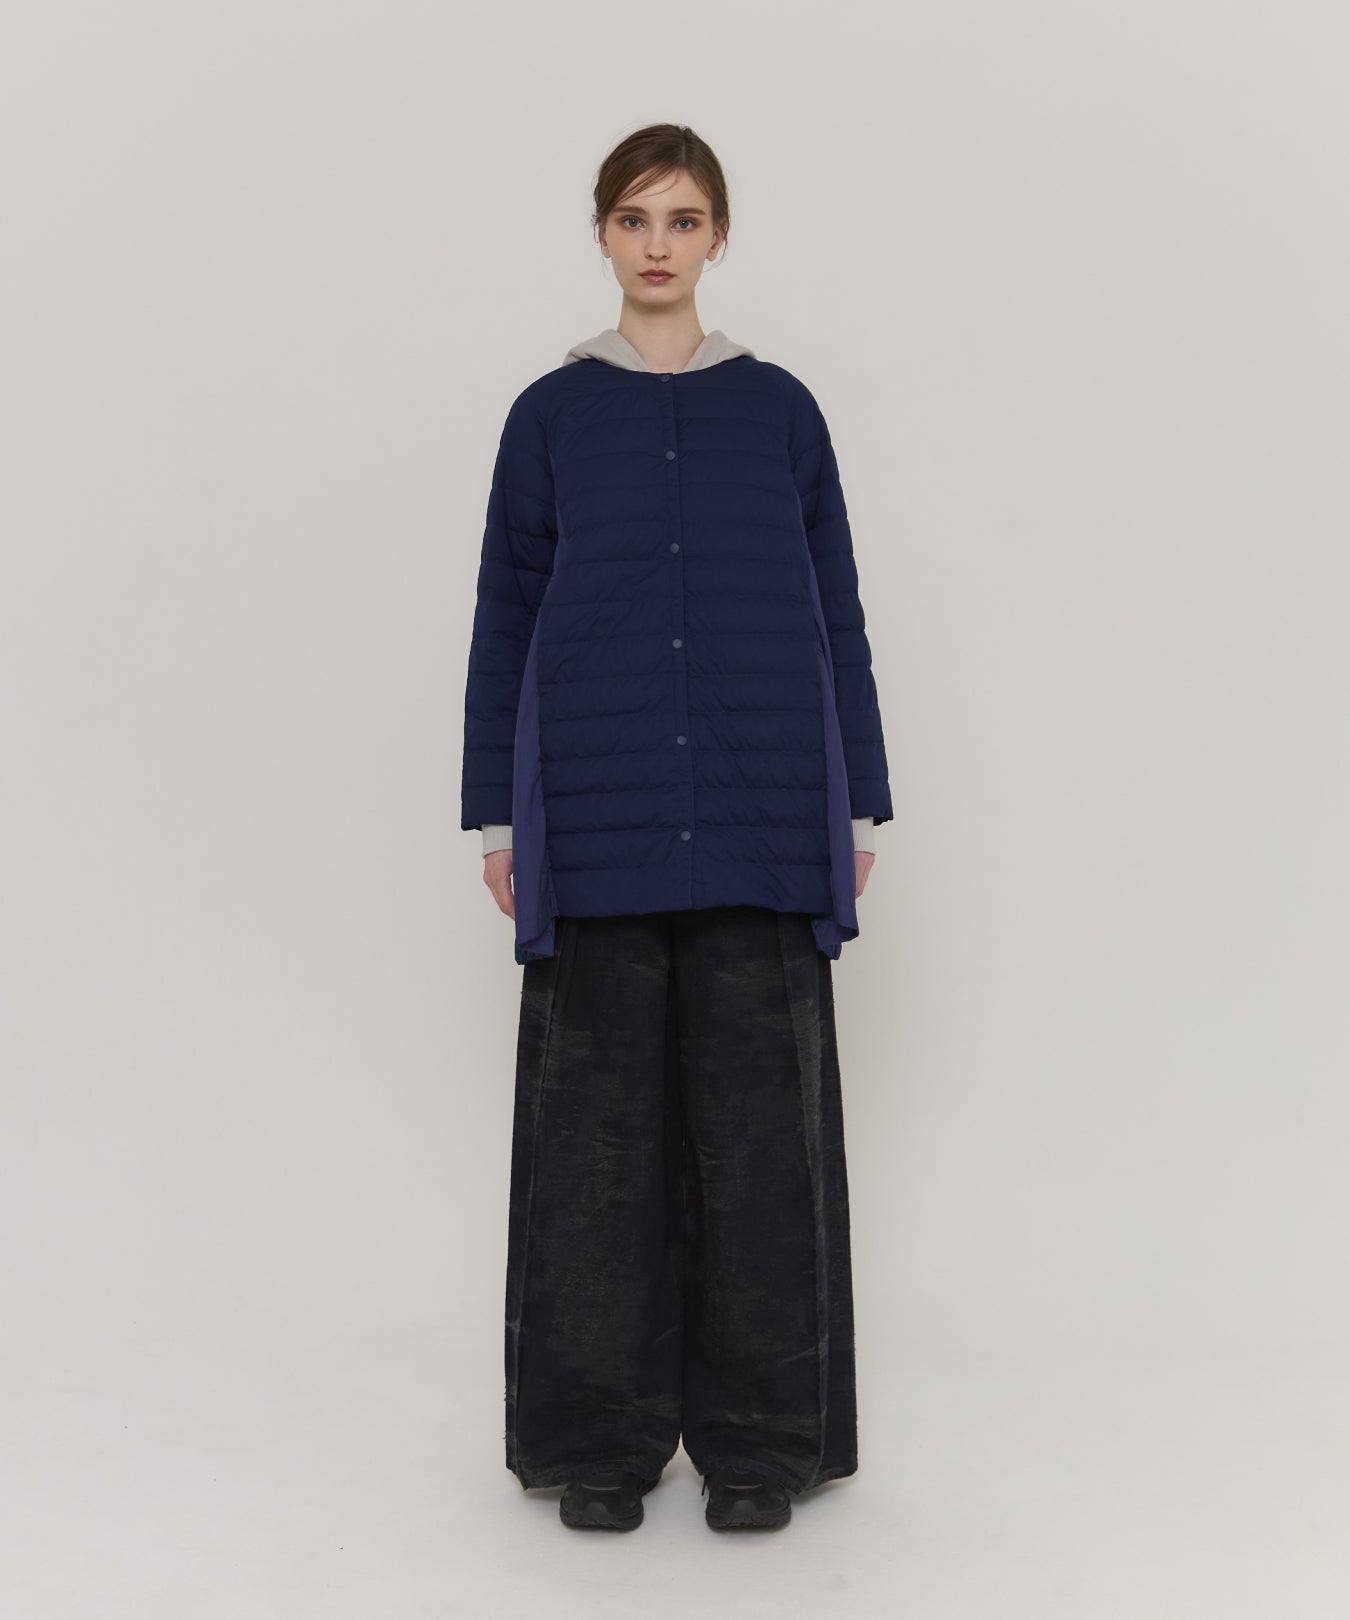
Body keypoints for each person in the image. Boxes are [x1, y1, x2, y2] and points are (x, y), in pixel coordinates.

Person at [460, 122, 892, 1533]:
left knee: (763, 1153)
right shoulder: (548, 416)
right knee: (596, 1156)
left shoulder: (779, 410)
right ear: (602, 233)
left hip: (766, 817)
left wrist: (855, 800)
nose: (658, 244)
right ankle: (599, 1443)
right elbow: (506, 617)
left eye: (685, 219)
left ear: (718, 238)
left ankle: (764, 1446)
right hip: (592, 823)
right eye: (635, 218)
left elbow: (834, 611)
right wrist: (495, 819)